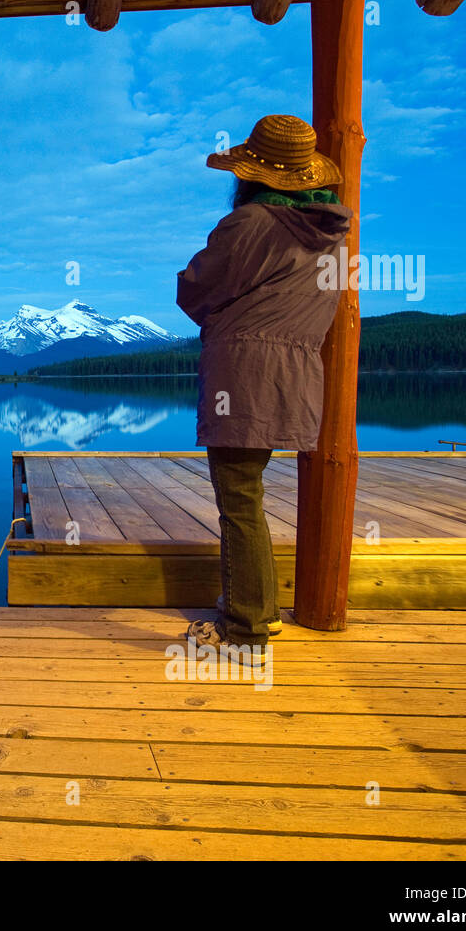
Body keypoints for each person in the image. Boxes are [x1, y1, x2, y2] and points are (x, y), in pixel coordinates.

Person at [176, 114, 353, 664]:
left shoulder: (249, 224)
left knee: (239, 501)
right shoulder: (332, 236)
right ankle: (258, 608)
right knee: (249, 495)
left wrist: (223, 315)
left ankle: (246, 630)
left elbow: (194, 290)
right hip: (296, 378)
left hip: (243, 375)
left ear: (252, 174)